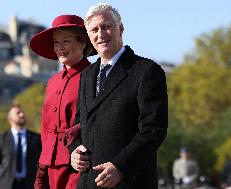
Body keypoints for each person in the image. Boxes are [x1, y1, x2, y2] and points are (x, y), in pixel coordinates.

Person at [70, 3, 168, 189]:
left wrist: (122, 167)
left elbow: (154, 130)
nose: (101, 34)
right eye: (94, 29)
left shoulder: (146, 71)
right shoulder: (86, 75)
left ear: (120, 29)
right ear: (89, 36)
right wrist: (73, 151)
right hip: (88, 182)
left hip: (129, 182)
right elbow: (78, 124)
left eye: (107, 26)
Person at [29, 14, 96, 189]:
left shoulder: (95, 77)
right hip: (51, 166)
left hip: (81, 164)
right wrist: (41, 173)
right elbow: (46, 131)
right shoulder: (52, 82)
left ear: (83, 42)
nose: (60, 47)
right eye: (56, 42)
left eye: (66, 41)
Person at [0, 105, 41, 189]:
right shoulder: (2, 139)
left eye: (22, 112)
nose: (22, 115)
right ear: (10, 119)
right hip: (7, 184)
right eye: (18, 113)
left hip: (30, 184)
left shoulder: (36, 138)